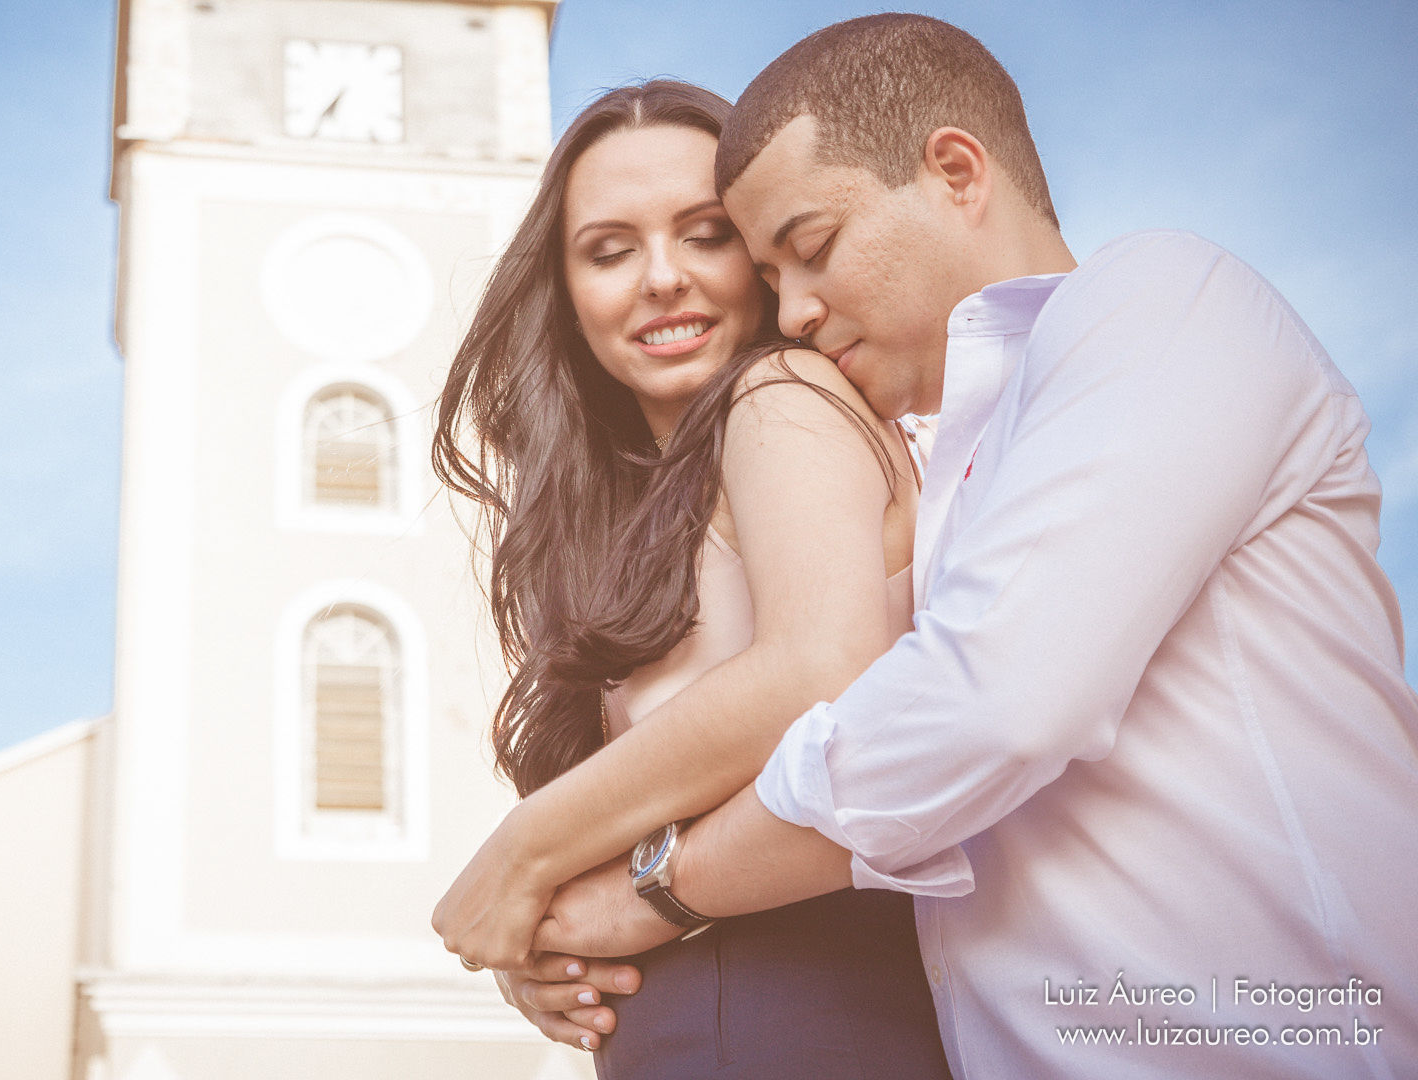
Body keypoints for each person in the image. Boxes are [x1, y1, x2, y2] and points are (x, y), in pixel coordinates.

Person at [434, 14, 1418, 1079]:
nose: (795, 311)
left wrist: (604, 878)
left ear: (955, 172)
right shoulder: (949, 470)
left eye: (803, 253)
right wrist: (557, 915)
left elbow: (984, 705)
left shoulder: (1162, 299)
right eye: (610, 250)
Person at [431, 79, 952, 1075]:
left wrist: (523, 852)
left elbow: (818, 665)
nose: (661, 278)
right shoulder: (641, 502)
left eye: (705, 234)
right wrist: (543, 939)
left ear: (764, 258)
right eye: (610, 249)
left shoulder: (780, 392)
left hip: (793, 1005)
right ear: (566, 292)